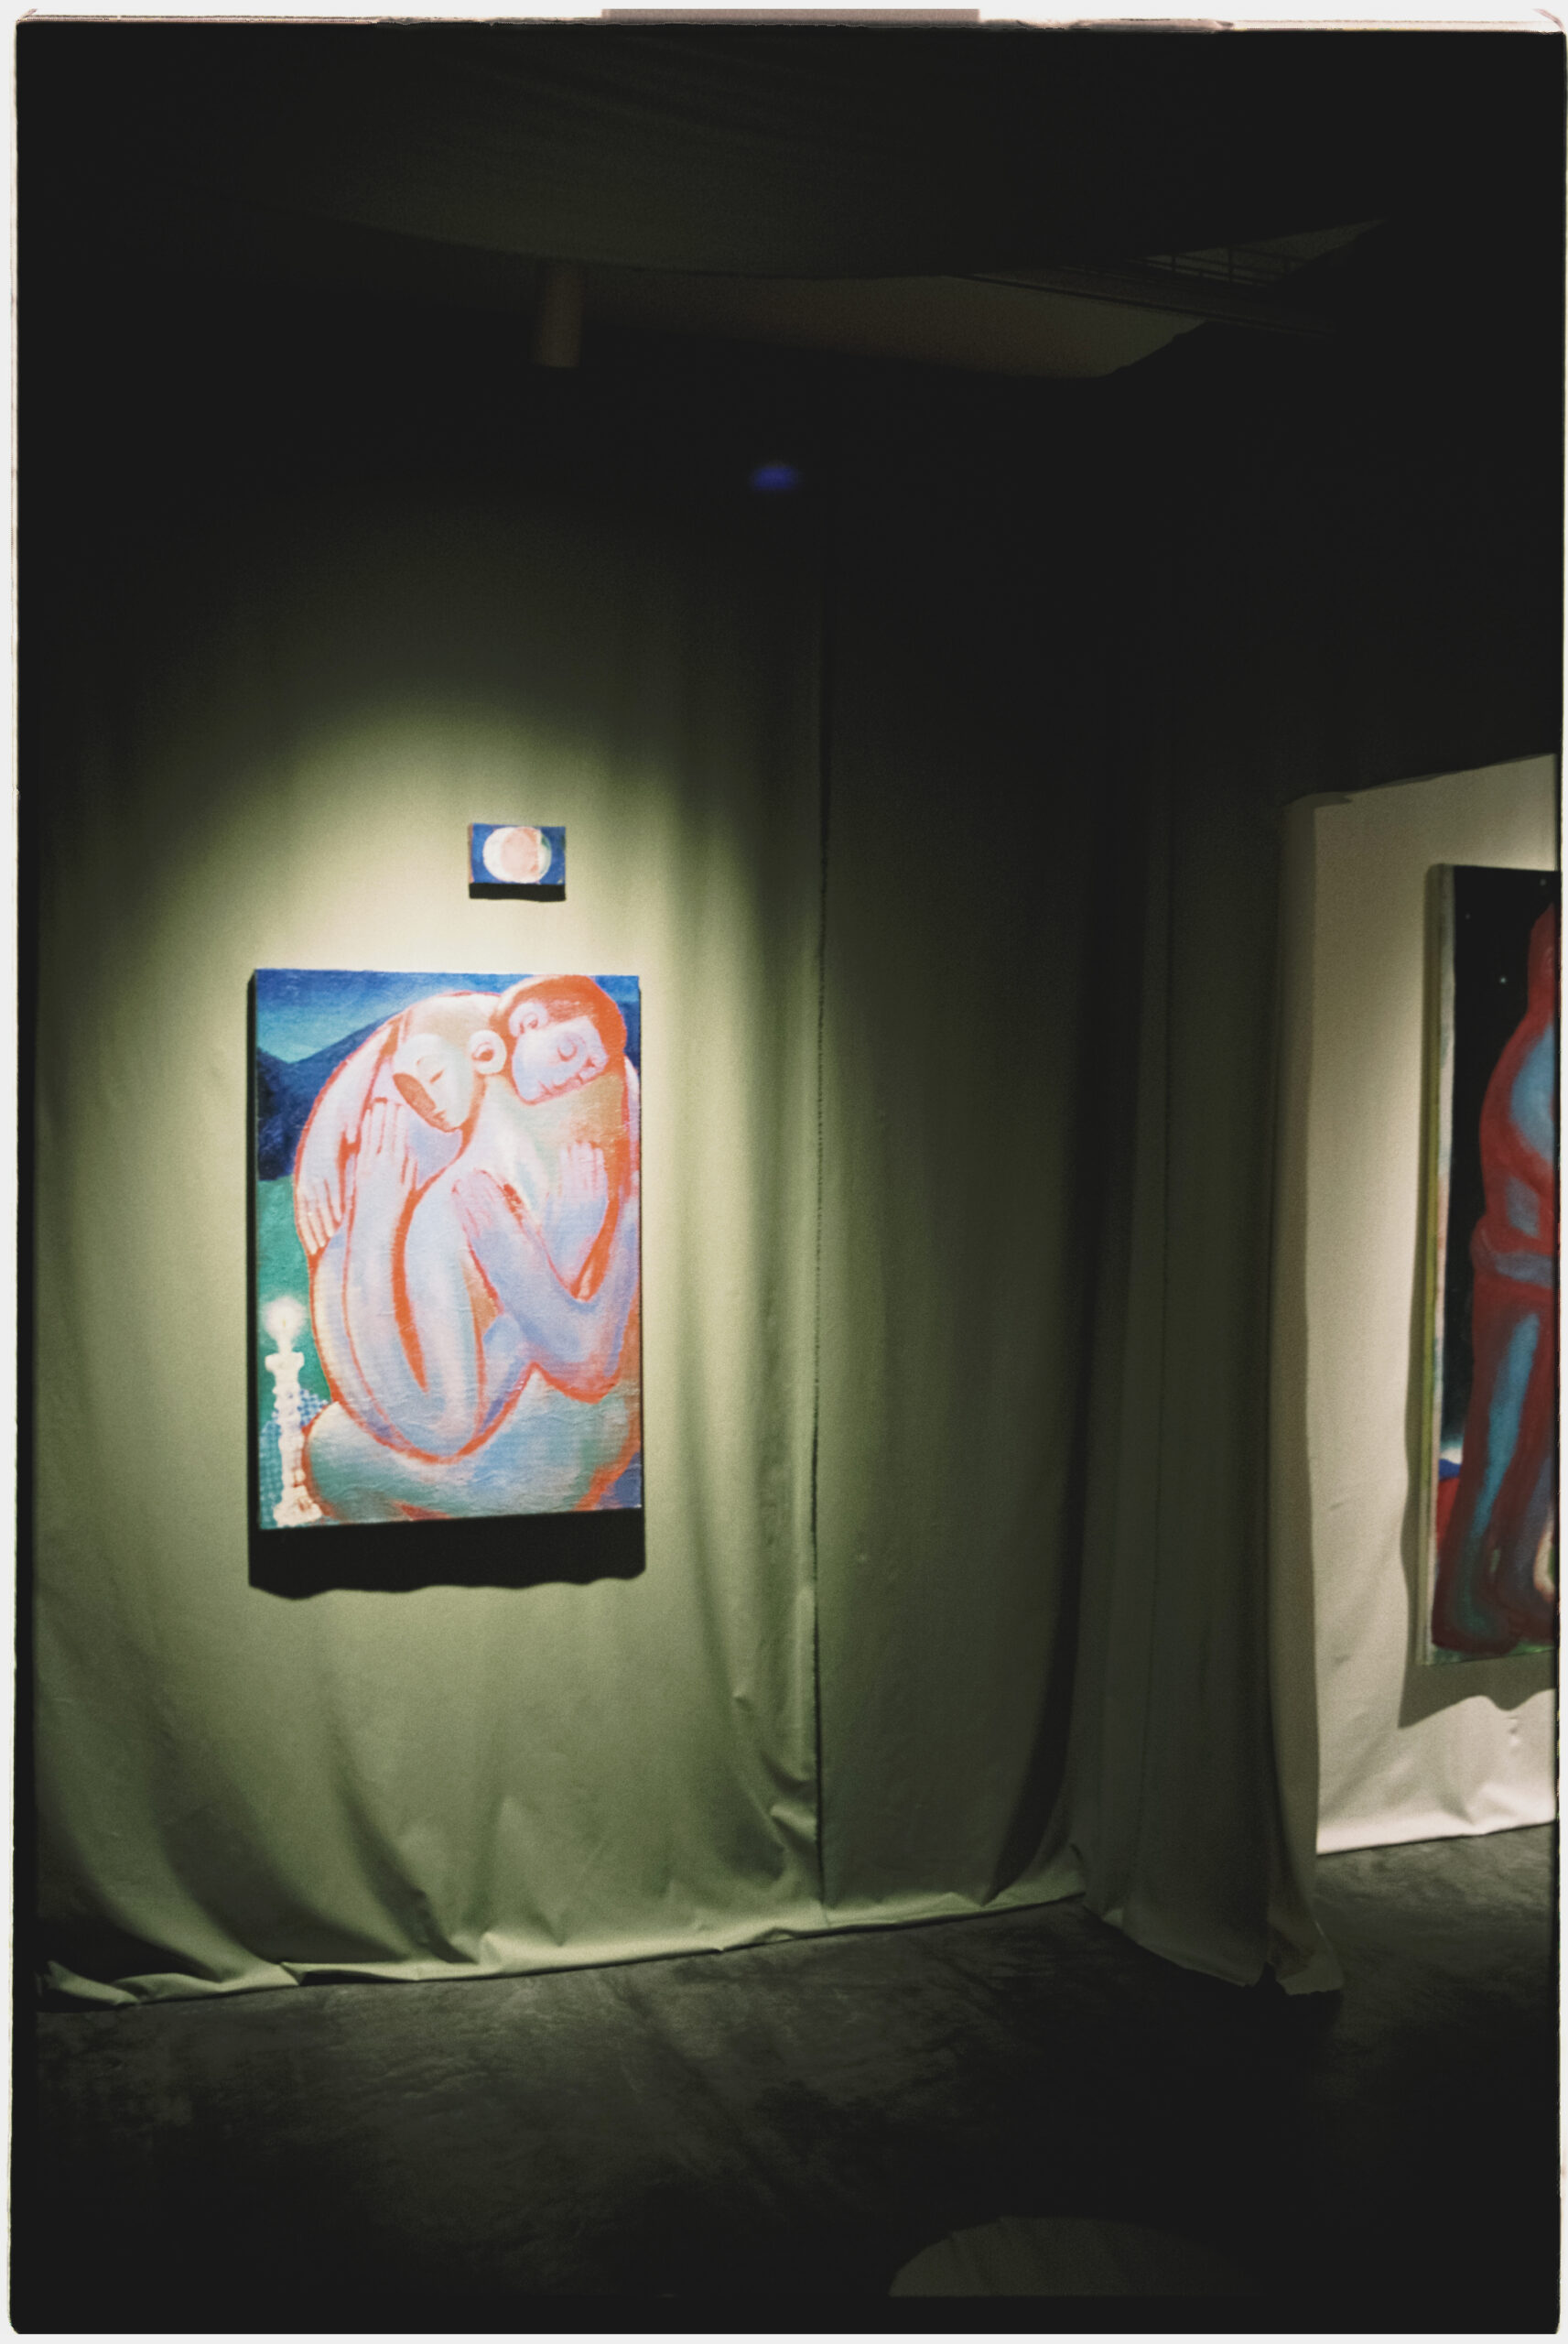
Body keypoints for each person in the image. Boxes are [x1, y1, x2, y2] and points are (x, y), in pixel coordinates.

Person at [296, 979, 641, 1523]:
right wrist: (329, 1129)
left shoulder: (572, 1133)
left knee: (332, 1451)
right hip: (542, 1443)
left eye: (584, 1063)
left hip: (535, 1460)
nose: (575, 1074)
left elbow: (447, 1424)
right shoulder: (477, 1177)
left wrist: (370, 1235)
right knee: (336, 1445)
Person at [1431, 904, 1557, 1655]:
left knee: (1549, 1443)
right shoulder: (1536, 1051)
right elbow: (1532, 1152)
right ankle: (1458, 1591)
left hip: (1551, 1282)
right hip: (1517, 1283)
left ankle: (1516, 1575)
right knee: (1502, 1439)